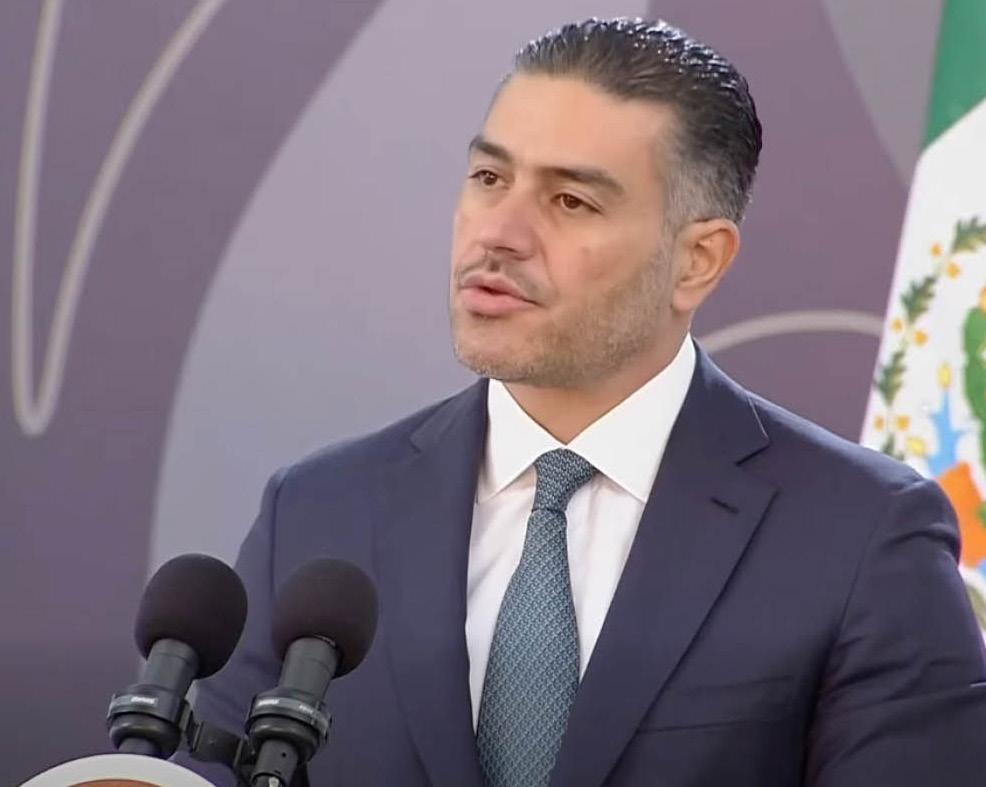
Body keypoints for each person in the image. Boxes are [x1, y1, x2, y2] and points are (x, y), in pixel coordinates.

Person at [190, 17, 986, 786]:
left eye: (570, 201)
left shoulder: (861, 537)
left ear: (698, 261)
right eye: (489, 178)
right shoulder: (318, 512)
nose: (499, 233)